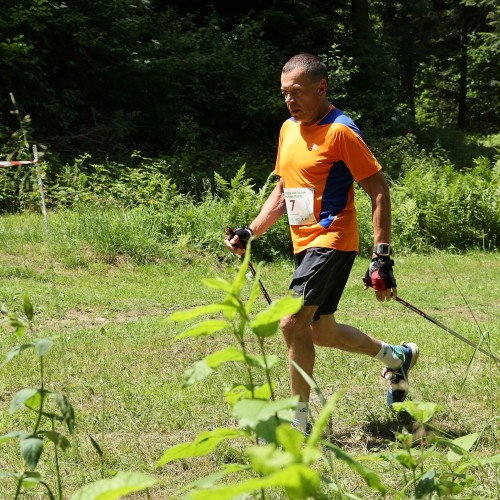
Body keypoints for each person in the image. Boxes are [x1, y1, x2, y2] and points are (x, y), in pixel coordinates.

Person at [224, 53, 418, 434]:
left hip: (332, 239)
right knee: (320, 332)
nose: (290, 101)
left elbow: (378, 189)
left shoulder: (341, 132)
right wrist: (251, 230)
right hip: (304, 241)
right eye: (284, 94)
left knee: (291, 322)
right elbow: (284, 189)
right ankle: (395, 357)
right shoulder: (288, 129)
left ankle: (299, 424)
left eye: (297, 93)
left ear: (321, 88)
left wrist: (381, 257)